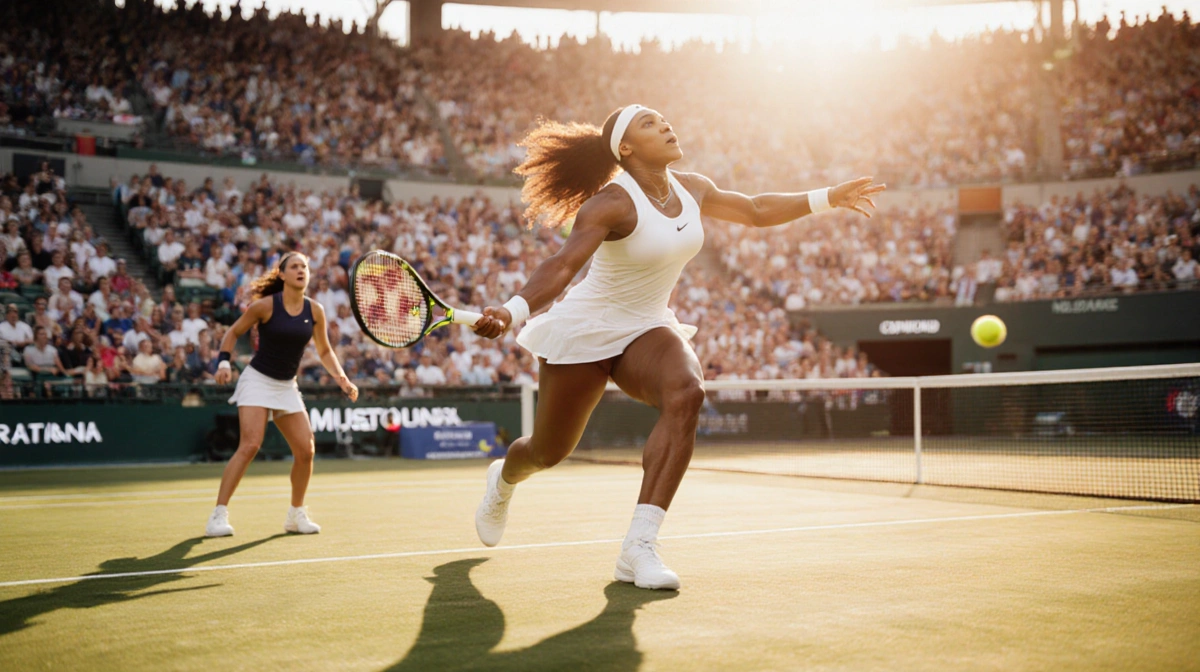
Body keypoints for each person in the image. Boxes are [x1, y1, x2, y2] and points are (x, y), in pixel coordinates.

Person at [469, 105, 883, 590]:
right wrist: (513, 309)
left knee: (687, 393)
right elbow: (562, 266)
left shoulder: (694, 187)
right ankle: (504, 479)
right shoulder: (609, 204)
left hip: (646, 325)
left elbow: (753, 210)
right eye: (649, 124)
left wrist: (828, 196)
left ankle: (638, 546)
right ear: (625, 149)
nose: (665, 125)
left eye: (662, 119)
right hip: (586, 328)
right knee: (545, 452)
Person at [207, 252, 358, 537]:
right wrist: (224, 362)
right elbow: (233, 332)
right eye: (295, 266)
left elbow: (324, 351)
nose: (301, 270)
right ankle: (218, 514)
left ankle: (295, 514)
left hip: (286, 385)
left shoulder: (315, 311)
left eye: (304, 266)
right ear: (282, 275)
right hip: (258, 381)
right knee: (250, 445)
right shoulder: (264, 306)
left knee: (306, 451)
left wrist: (342, 379)